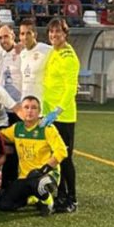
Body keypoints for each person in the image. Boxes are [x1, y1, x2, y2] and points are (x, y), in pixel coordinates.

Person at [0, 96, 67, 216]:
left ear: (39, 112)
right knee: (5, 205)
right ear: (21, 111)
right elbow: (0, 135)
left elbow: (62, 151)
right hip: (25, 177)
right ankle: (34, 199)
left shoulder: (47, 128)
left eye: (34, 108)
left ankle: (48, 202)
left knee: (38, 183)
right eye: (26, 107)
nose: (30, 111)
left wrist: (43, 170)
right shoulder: (17, 128)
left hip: (47, 175)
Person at [43, 17, 80, 213]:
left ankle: (72, 199)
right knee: (55, 157)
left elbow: (70, 89)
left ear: (65, 34)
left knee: (65, 158)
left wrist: (57, 110)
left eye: (58, 32)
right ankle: (61, 195)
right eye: (51, 32)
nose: (54, 35)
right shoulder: (53, 52)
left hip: (63, 117)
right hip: (49, 115)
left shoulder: (69, 57)